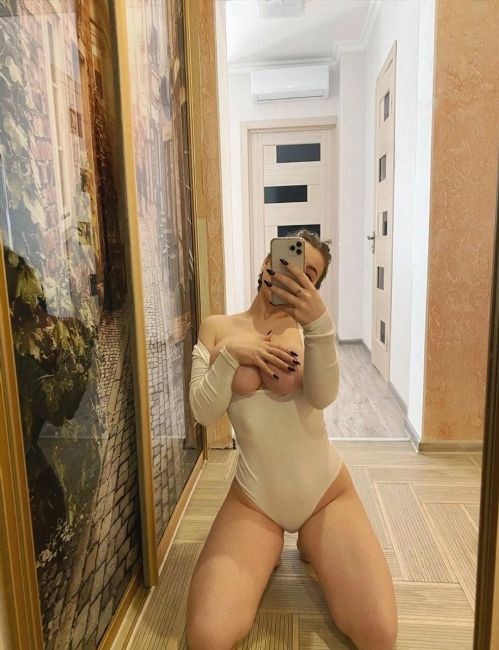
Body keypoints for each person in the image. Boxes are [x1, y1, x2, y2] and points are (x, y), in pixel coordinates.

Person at [186, 231, 398, 650]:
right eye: (287, 261)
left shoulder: (309, 332)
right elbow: (203, 413)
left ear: (313, 287)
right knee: (207, 637)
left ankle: (312, 541)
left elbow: (322, 395)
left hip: (325, 496)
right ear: (267, 262)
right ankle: (275, 548)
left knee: (379, 635)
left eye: (309, 274)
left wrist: (320, 325)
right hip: (254, 500)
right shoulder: (217, 328)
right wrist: (231, 354)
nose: (294, 274)